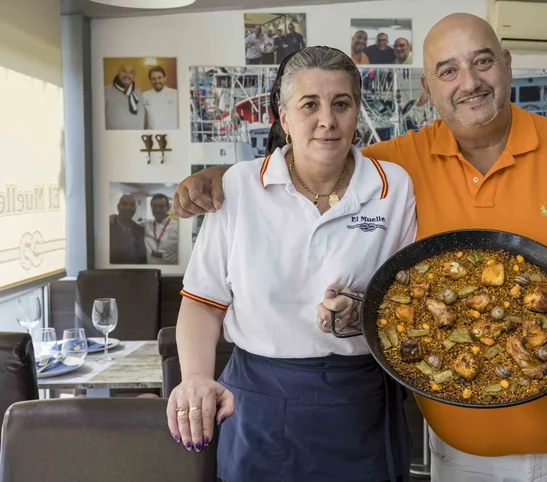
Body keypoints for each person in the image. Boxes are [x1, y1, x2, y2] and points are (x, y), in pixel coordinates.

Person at [171, 13, 547, 482]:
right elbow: (315, 153)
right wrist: (226, 178)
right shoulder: (401, 168)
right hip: (461, 457)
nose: (469, 82)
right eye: (448, 70)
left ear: (507, 65)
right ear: (429, 88)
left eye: (483, 62)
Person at [165, 46, 417, 482]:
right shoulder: (238, 187)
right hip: (257, 401)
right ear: (284, 119)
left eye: (342, 104)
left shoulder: (393, 187)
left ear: (357, 112)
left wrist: (364, 310)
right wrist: (195, 378)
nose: (327, 120)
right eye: (309, 105)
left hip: (357, 401)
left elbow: (408, 300)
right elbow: (204, 302)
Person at [104, 63, 146, 130]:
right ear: (118, 72)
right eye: (124, 71)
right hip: (114, 138)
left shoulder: (139, 92)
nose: (127, 75)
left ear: (134, 76)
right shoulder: (105, 91)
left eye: (131, 72)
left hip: (135, 137)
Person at [142, 193, 179, 265]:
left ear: (168, 208)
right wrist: (114, 217)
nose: (157, 209)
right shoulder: (146, 225)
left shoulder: (177, 227)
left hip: (170, 273)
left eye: (161, 206)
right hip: (150, 271)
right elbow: (129, 223)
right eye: (154, 206)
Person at [109, 194, 147, 264]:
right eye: (124, 204)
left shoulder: (140, 229)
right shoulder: (108, 227)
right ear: (118, 207)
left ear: (135, 209)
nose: (128, 207)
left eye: (132, 205)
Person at [143, 66, 178, 130]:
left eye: (159, 78)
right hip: (151, 134)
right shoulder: (144, 95)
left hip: (171, 134)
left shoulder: (175, 94)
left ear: (165, 78)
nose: (157, 81)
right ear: (150, 80)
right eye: (153, 79)